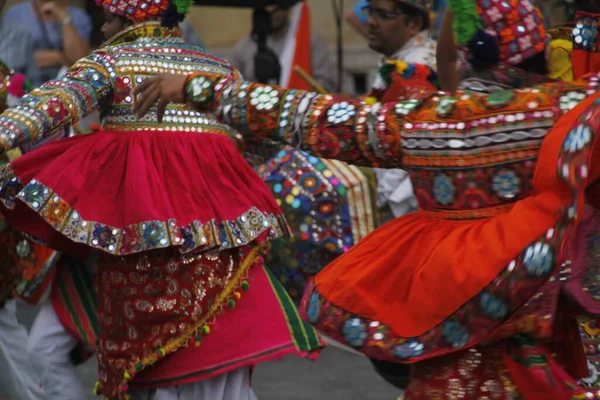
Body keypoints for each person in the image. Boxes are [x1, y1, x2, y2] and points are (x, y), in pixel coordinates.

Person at [132, 2, 600, 398]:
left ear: (460, 54)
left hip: (443, 335)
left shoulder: (420, 123)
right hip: (546, 341)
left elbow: (312, 115)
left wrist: (201, 88)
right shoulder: (566, 111)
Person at [0, 1, 325, 399]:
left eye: (106, 20)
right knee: (220, 383)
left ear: (126, 18)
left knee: (156, 378)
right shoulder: (218, 69)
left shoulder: (111, 61)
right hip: (219, 248)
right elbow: (254, 145)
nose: (102, 30)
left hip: (143, 247)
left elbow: (43, 109)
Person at [229, 1, 336, 92]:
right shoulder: (243, 47)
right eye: (266, 5)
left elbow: (325, 82)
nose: (271, 10)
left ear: (288, 7)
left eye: (277, 6)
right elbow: (231, 84)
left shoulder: (310, 41)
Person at [4, 0, 91, 86]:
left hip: (66, 86)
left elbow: (77, 58)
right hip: (29, 86)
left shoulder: (79, 17)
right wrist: (63, 57)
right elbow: (16, 58)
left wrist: (65, 19)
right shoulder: (15, 14)